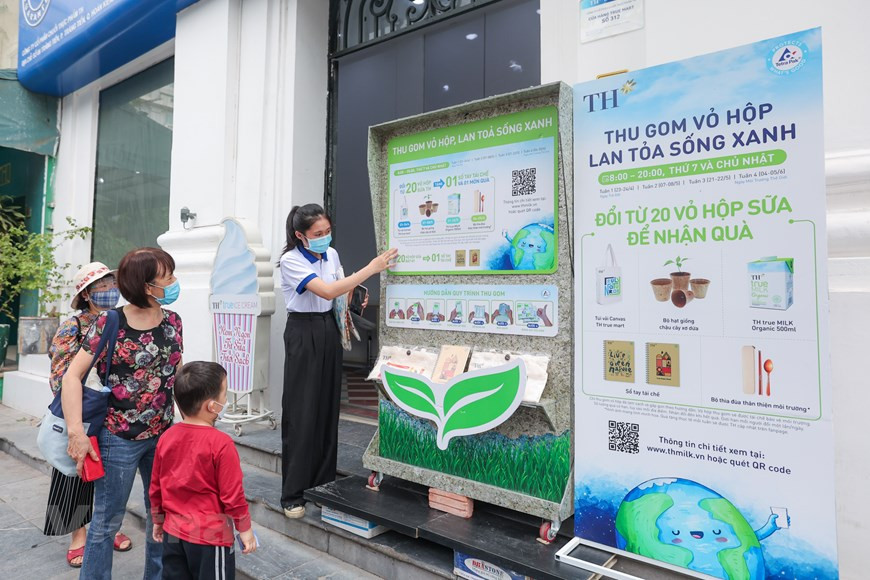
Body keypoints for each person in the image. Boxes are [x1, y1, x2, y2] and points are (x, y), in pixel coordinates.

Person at [62, 247, 184, 580]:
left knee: (161, 517)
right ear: (147, 286)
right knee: (106, 522)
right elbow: (72, 376)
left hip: (163, 435)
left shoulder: (174, 321)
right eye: (168, 277)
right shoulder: (110, 321)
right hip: (119, 438)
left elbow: (174, 374)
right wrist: (76, 432)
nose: (174, 282)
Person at [278, 203, 397, 518]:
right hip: (303, 332)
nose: (324, 238)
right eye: (318, 234)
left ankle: (322, 486)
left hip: (328, 328)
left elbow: (341, 289)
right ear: (300, 235)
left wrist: (355, 293)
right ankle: (293, 494)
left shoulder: (331, 255)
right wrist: (370, 269)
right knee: (302, 410)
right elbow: (328, 290)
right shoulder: (290, 261)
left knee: (327, 408)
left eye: (327, 231)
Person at [44, 262, 132, 568]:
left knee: (107, 476)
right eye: (101, 287)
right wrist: (75, 418)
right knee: (72, 474)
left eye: (111, 283)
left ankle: (110, 528)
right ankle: (77, 536)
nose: (109, 290)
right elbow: (60, 374)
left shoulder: (122, 320)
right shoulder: (75, 325)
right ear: (86, 295)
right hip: (82, 412)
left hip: (114, 414)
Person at [150, 361, 256, 579]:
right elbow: (233, 495)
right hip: (210, 538)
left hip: (173, 532)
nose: (225, 401)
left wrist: (158, 520)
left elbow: (156, 487)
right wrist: (244, 529)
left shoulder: (166, 438)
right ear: (211, 406)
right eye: (224, 395)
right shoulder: (221, 444)